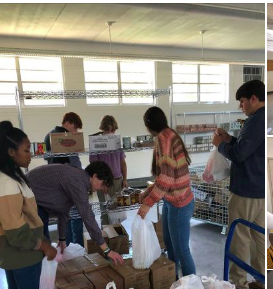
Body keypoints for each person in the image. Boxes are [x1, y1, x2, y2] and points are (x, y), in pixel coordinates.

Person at [0, 121, 57, 289]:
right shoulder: (7, 183)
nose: (30, 155)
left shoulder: (12, 178)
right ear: (10, 152)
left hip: (18, 252)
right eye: (26, 150)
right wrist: (43, 245)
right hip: (21, 252)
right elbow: (15, 230)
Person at [212, 80, 265, 289]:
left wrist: (221, 146)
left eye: (242, 101)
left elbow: (240, 155)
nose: (241, 106)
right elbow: (249, 148)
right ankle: (261, 279)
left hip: (245, 191)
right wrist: (230, 139)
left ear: (253, 98)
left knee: (240, 238)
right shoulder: (260, 120)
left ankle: (239, 285)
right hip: (259, 192)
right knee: (258, 237)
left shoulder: (254, 121)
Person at [26, 161, 124, 265]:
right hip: (28, 201)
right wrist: (106, 250)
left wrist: (62, 239)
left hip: (34, 200)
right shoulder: (78, 181)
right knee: (41, 249)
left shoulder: (78, 178)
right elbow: (88, 217)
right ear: (95, 176)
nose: (100, 188)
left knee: (44, 247)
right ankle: (37, 275)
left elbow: (63, 210)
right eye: (102, 184)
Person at [138, 107, 195, 277]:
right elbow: (165, 176)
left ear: (149, 125)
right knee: (170, 245)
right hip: (172, 201)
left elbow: (167, 179)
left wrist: (148, 204)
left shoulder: (164, 138)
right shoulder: (168, 134)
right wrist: (148, 192)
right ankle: (176, 282)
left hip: (180, 203)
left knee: (182, 250)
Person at [44, 112, 84, 246]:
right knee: (76, 216)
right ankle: (78, 247)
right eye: (75, 128)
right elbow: (73, 163)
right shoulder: (63, 137)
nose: (76, 132)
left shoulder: (48, 135)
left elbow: (47, 158)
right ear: (68, 123)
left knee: (64, 216)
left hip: (54, 184)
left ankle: (66, 247)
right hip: (69, 183)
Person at [89, 115, 128, 226]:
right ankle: (107, 239)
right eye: (108, 130)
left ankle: (119, 238)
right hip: (104, 182)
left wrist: (124, 179)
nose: (110, 132)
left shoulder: (116, 142)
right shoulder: (96, 142)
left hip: (117, 180)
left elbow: (122, 162)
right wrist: (100, 185)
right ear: (103, 129)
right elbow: (93, 166)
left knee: (118, 209)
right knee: (105, 211)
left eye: (112, 130)